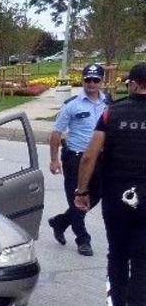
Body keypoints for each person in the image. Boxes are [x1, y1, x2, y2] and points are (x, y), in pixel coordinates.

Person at [74, 62, 146, 306]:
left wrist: (82, 191)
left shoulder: (111, 112)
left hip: (117, 196)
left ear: (134, 83)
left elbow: (90, 156)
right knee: (142, 261)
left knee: (117, 254)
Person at [47, 63, 108, 256]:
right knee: (76, 198)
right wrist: (54, 160)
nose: (91, 83)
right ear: (82, 81)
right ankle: (83, 239)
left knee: (96, 194)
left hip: (99, 159)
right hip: (75, 158)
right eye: (87, 80)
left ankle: (61, 222)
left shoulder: (108, 103)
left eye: (95, 80)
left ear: (102, 81)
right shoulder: (72, 105)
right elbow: (56, 132)